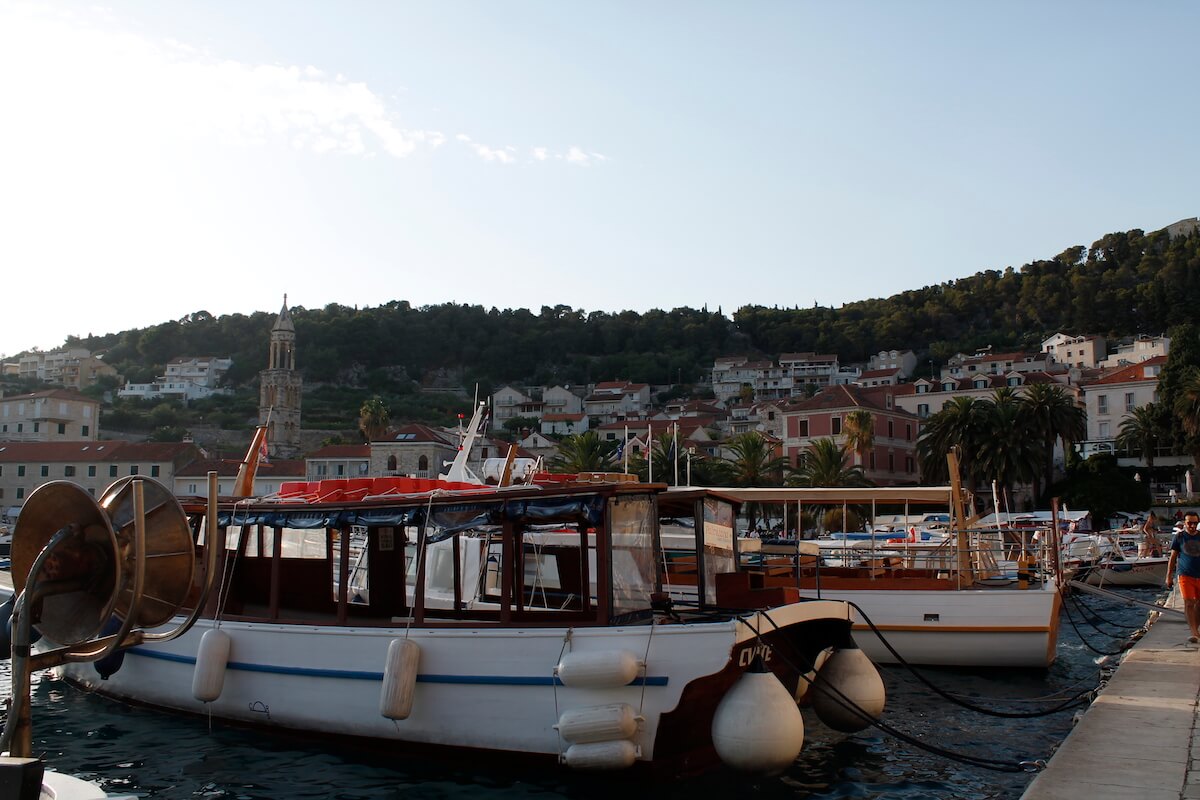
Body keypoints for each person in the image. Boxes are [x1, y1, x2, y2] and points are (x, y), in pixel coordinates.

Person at [1165, 510, 1200, 643]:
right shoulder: (1179, 537)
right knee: (1189, 603)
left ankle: (1196, 629)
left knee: (1199, 604)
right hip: (1185, 574)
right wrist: (1169, 576)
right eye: (1189, 523)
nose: (1192, 526)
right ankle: (1194, 632)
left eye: (1195, 523)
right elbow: (1173, 557)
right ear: (1184, 523)